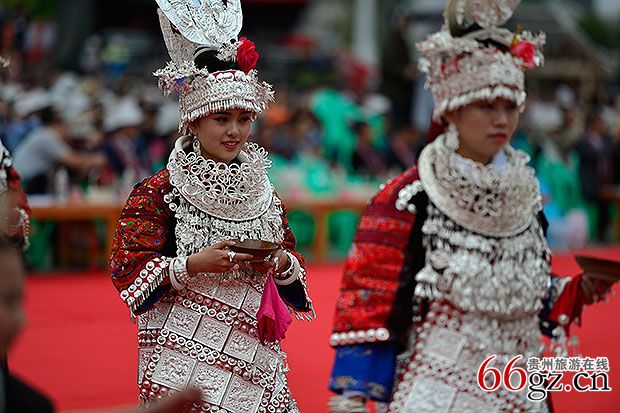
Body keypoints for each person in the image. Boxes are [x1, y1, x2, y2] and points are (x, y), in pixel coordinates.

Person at [327, 1, 617, 412]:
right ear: (453, 108)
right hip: (438, 394)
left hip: (520, 391)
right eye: (486, 105)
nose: (502, 120)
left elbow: (527, 292)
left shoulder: (524, 193)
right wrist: (352, 399)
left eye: (509, 107)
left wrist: (575, 291)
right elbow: (369, 304)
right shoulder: (410, 196)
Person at [109, 2, 314, 412]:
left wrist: (281, 263)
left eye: (244, 118)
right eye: (221, 119)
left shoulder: (262, 188)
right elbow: (126, 269)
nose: (235, 131)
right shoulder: (159, 191)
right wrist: (192, 265)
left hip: (256, 359)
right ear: (193, 121)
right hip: (181, 356)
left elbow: (293, 264)